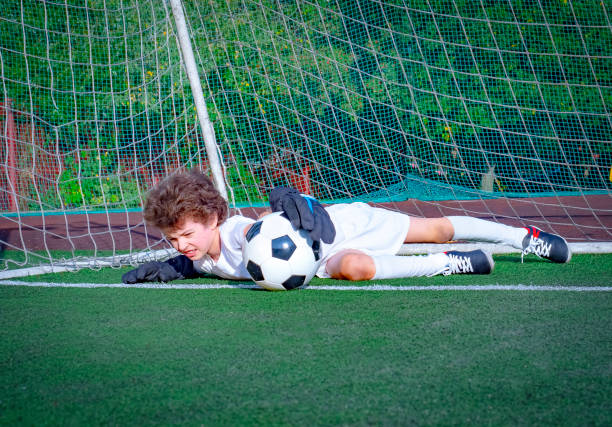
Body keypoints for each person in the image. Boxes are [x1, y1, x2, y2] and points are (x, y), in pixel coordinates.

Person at [122, 169, 571, 284]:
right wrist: (176, 264)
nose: (183, 244)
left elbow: (255, 230)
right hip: (324, 258)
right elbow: (203, 264)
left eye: (188, 234)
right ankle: (453, 264)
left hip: (341, 224)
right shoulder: (202, 259)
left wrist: (284, 200)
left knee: (435, 228)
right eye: (174, 239)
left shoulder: (239, 231)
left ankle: (522, 237)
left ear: (214, 217)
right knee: (356, 268)